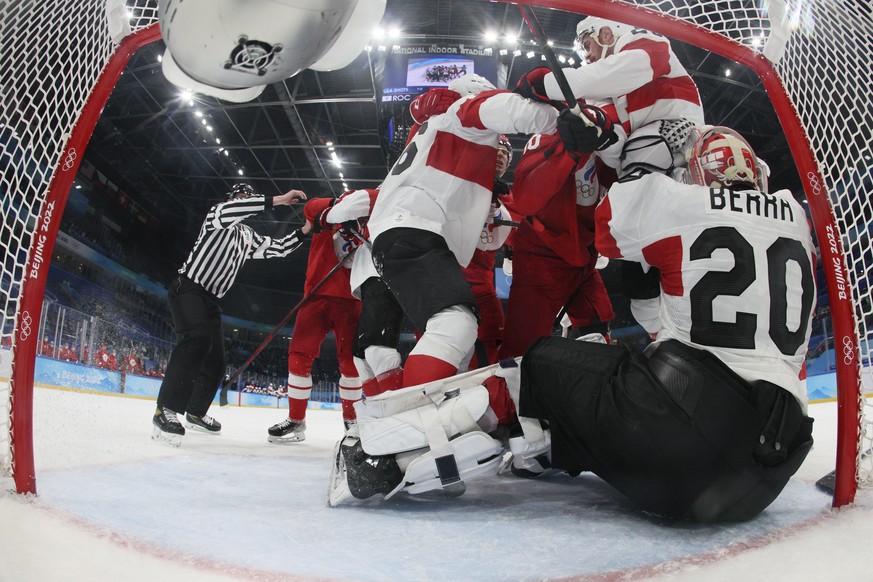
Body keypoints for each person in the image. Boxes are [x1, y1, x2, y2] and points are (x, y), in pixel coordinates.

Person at [330, 127, 816, 524]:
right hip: (766, 468)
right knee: (596, 391)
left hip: (680, 436)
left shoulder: (682, 203)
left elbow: (608, 228)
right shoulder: (795, 215)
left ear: (695, 174)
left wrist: (641, 165)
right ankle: (541, 446)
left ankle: (383, 459)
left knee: (537, 365)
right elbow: (652, 311)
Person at [366, 73, 612, 389]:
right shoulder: (462, 108)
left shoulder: (430, 131)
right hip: (415, 231)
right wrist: (568, 120)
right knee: (455, 325)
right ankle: (412, 420)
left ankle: (442, 417)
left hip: (403, 237)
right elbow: (511, 111)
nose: (497, 152)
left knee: (461, 340)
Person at [152, 183, 307, 446]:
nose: (245, 199)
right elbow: (237, 209)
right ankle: (165, 409)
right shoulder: (218, 215)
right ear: (231, 199)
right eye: (241, 196)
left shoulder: (246, 235)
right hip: (188, 288)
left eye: (249, 196)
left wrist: (305, 231)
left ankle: (196, 411)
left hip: (211, 300)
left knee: (216, 362)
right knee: (196, 339)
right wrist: (279, 200)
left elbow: (277, 248)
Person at [517, 17, 704, 178]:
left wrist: (549, 83)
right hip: (653, 161)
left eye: (586, 46)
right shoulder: (609, 92)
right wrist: (601, 137)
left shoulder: (643, 40)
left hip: (689, 144)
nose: (586, 57)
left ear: (605, 34)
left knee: (643, 148)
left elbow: (610, 75)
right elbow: (617, 154)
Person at [496, 126, 614, 361]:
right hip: (536, 264)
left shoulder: (609, 143)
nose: (499, 156)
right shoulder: (546, 138)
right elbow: (528, 198)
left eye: (504, 153)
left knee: (598, 332)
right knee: (508, 348)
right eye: (496, 151)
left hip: (580, 256)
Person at [266, 196, 362, 443]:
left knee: (350, 363)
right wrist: (338, 205)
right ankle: (296, 421)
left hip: (352, 299)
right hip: (316, 296)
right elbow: (309, 207)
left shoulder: (371, 222)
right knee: (298, 355)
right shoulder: (327, 213)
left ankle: (352, 421)